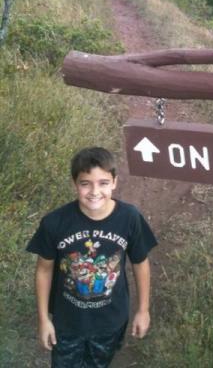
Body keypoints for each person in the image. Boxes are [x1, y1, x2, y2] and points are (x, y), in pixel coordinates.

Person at [26, 147, 157, 367]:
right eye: (85, 183)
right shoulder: (55, 223)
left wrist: (143, 310)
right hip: (66, 323)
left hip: (110, 321)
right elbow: (44, 269)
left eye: (103, 183)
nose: (94, 191)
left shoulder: (130, 218)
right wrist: (43, 319)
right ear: (74, 184)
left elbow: (140, 263)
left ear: (114, 182)